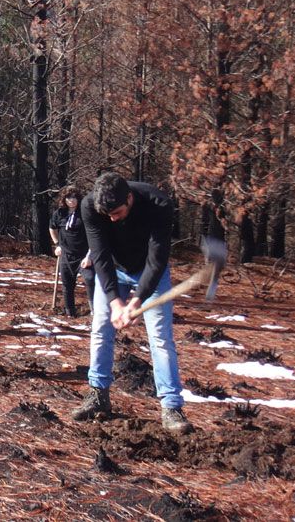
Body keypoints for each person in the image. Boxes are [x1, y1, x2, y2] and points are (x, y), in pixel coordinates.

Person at [71, 172, 192, 433]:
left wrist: (138, 300)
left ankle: (171, 407)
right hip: (114, 269)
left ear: (130, 198)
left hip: (150, 272)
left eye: (118, 212)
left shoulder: (158, 204)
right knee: (101, 328)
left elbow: (157, 259)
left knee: (160, 337)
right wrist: (115, 301)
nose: (113, 219)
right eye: (108, 215)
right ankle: (98, 395)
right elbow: (100, 256)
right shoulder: (90, 206)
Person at [49, 185, 94, 318]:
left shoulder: (85, 213)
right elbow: (52, 228)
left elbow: (93, 234)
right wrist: (57, 244)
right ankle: (70, 313)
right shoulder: (60, 213)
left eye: (74, 197)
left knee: (90, 279)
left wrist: (89, 255)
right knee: (67, 284)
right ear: (64, 199)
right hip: (66, 255)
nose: (71, 200)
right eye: (68, 197)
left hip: (84, 256)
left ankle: (94, 311)